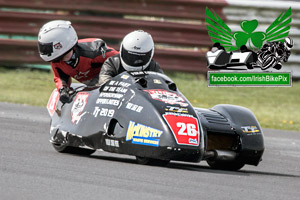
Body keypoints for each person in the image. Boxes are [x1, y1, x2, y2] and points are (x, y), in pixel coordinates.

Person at [38, 20, 118, 103]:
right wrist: (64, 90)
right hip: (94, 88)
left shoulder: (94, 50)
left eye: (46, 48)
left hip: (116, 85)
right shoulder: (56, 60)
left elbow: (120, 59)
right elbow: (60, 78)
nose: (45, 51)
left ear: (60, 44)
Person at [98, 30, 163, 85]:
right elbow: (104, 81)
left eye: (139, 57)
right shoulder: (112, 62)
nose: (134, 60)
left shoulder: (153, 66)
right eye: (130, 56)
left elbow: (162, 85)